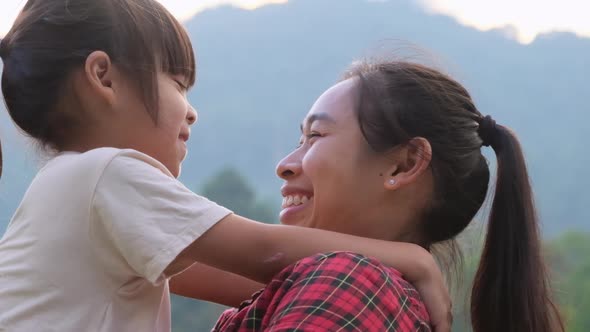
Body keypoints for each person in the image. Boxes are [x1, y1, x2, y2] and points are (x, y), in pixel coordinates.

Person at [0, 1, 451, 331]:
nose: (191, 111)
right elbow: (265, 253)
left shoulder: (76, 194)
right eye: (177, 84)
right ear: (104, 78)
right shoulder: (107, 174)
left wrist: (362, 283)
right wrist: (413, 262)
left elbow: (256, 278)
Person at [208, 60, 565, 332]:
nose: (285, 165)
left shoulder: (349, 282)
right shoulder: (352, 287)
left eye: (316, 135)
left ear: (403, 164)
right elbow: (166, 246)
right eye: (299, 141)